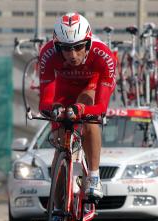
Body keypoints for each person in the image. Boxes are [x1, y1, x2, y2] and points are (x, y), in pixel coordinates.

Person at [39, 12, 116, 200]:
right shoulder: (48, 53)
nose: (72, 55)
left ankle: (94, 176)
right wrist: (55, 110)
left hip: (91, 83)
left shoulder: (103, 55)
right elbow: (45, 101)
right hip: (64, 88)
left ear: (88, 43)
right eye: (65, 49)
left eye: (79, 47)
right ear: (57, 46)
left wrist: (81, 110)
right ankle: (57, 212)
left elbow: (101, 108)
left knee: (88, 116)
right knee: (59, 142)